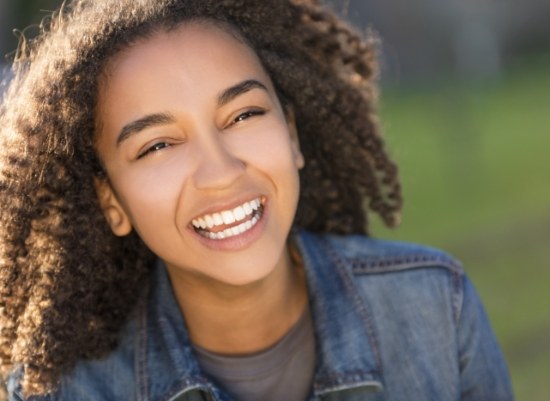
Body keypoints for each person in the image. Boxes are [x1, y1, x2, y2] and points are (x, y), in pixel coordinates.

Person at [0, 1, 513, 400]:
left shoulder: (436, 308)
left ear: (291, 135)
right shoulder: (68, 390)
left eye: (243, 115)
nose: (221, 172)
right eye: (157, 145)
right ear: (110, 200)